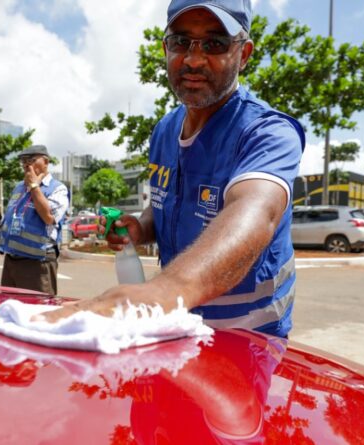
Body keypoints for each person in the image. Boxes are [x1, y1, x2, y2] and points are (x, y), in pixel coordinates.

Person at [41, 0, 305, 338]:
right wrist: (141, 227)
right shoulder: (164, 131)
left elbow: (255, 213)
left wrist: (163, 291)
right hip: (175, 327)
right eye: (181, 41)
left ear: (244, 53)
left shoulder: (268, 132)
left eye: (214, 43)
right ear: (166, 48)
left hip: (248, 338)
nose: (194, 59)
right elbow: (167, 201)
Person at [0, 145, 70, 295]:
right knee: (9, 308)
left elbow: (49, 218)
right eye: (23, 160)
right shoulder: (18, 187)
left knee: (38, 312)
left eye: (31, 159)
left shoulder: (58, 189)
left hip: (37, 262)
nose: (26, 164)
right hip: (11, 259)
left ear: (45, 161)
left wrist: (34, 186)